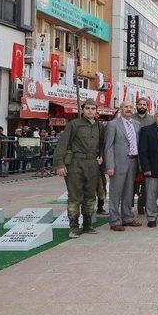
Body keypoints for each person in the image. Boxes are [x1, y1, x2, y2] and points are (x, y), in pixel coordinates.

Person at [52, 99, 104, 238]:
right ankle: (74, 227)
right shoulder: (74, 124)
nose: (90, 111)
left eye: (93, 108)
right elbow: (62, 144)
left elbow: (103, 145)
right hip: (76, 163)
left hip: (92, 164)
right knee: (75, 196)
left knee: (90, 196)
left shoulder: (99, 126)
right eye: (87, 108)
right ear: (82, 110)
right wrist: (60, 164)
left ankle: (87, 225)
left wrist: (102, 156)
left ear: (96, 111)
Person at [103, 100, 143, 231]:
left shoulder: (137, 124)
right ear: (121, 109)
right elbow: (108, 147)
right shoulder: (113, 124)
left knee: (129, 192)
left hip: (133, 162)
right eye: (126, 107)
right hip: (118, 163)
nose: (129, 109)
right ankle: (114, 221)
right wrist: (109, 165)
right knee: (116, 193)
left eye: (131, 107)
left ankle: (127, 218)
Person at [131, 97, 154, 216]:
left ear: (147, 106)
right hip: (132, 155)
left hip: (147, 155)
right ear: (136, 105)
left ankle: (143, 203)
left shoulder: (151, 119)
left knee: (147, 183)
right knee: (131, 182)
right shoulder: (130, 118)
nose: (142, 106)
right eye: (140, 104)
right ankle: (129, 207)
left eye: (144, 104)